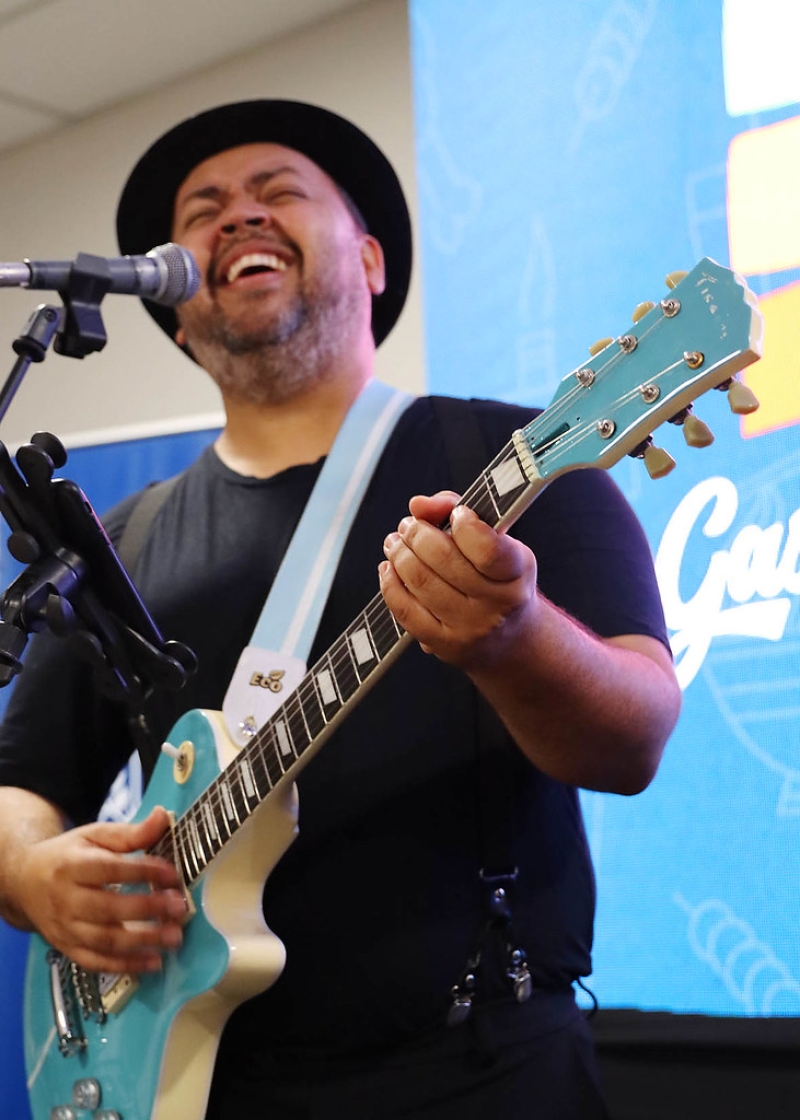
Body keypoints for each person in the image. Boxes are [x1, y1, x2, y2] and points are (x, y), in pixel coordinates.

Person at [0, 100, 680, 1118]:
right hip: (204, 1080)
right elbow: (21, 784)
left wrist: (516, 637)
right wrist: (31, 872)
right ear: (176, 310)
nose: (239, 216)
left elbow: (634, 738)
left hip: (480, 1074)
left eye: (278, 192)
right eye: (203, 212)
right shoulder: (123, 540)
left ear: (369, 261)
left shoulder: (517, 463)